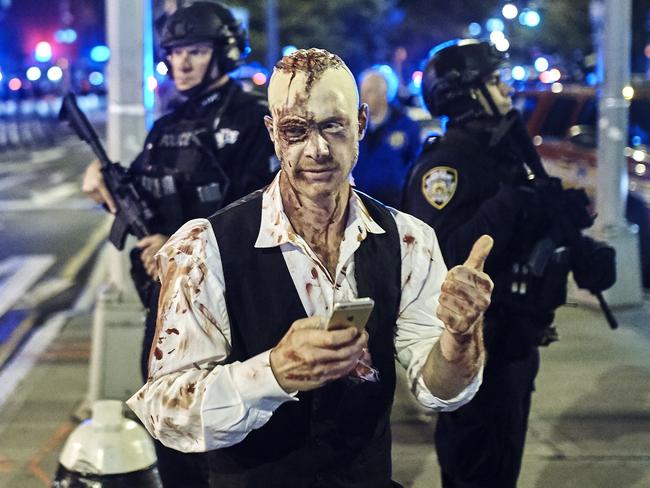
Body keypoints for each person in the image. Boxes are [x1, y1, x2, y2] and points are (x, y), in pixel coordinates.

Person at [126, 48, 494, 488]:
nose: (316, 149)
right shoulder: (203, 247)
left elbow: (440, 391)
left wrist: (460, 336)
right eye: (295, 130)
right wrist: (273, 372)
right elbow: (167, 411)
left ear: (360, 123)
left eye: (333, 127)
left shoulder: (409, 240)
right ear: (273, 133)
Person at [403, 39, 615, 488]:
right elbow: (438, 252)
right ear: (466, 93)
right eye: (496, 82)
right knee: (474, 470)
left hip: (518, 338)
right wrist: (510, 204)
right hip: (477, 347)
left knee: (502, 468)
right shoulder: (447, 164)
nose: (506, 91)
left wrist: (578, 244)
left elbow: (533, 228)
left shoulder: (507, 153)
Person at [82, 2, 275, 486]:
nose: (182, 63)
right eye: (174, 53)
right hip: (168, 309)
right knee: (170, 429)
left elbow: (265, 212)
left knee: (236, 446)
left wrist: (181, 245)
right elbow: (144, 197)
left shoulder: (254, 120)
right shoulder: (167, 125)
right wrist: (105, 184)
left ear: (223, 52)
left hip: (234, 309)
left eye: (194, 51)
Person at [352, 65, 421, 208]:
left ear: (385, 93)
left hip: (394, 207)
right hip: (359, 205)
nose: (365, 96)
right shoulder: (353, 125)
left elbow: (416, 167)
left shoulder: (406, 126)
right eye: (363, 90)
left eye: (372, 90)